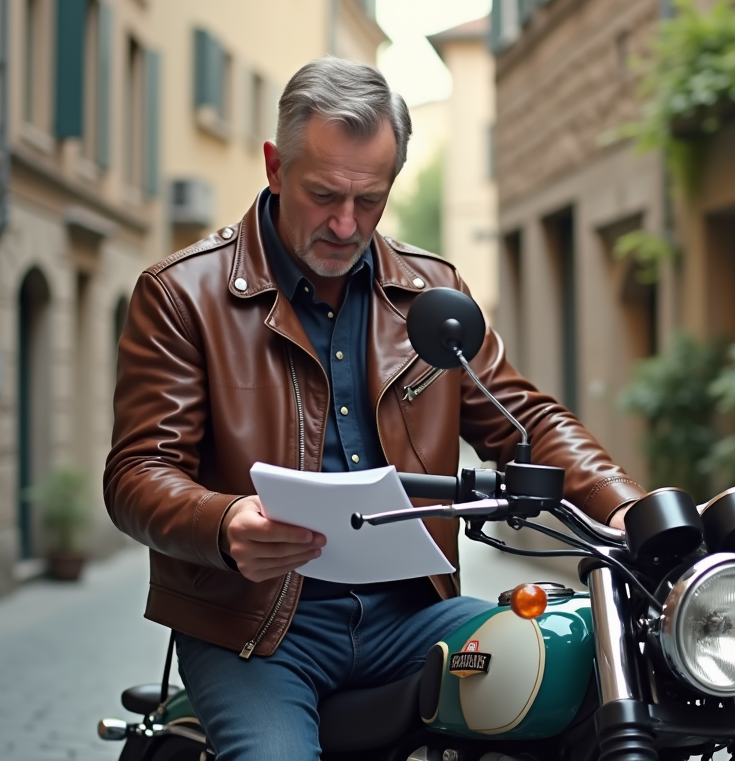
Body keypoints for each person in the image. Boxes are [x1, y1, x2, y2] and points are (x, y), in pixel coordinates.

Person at [104, 57, 647, 760]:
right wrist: (223, 522)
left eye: (371, 199)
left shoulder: (433, 290)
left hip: (415, 615)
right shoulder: (181, 294)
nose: (345, 222)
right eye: (324, 194)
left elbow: (524, 421)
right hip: (256, 626)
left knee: (586, 688)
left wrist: (624, 506)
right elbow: (137, 472)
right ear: (274, 166)